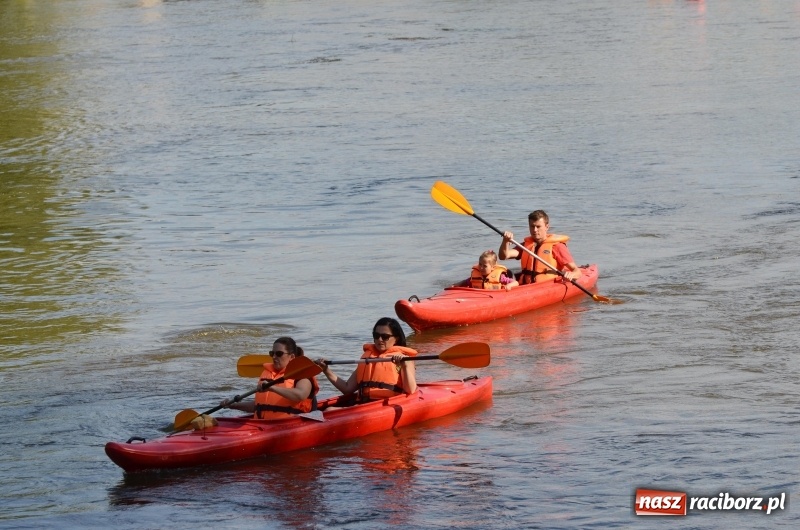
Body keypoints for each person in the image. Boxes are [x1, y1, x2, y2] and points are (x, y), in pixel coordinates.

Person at [315, 317, 417, 402]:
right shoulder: (367, 359)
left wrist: (404, 365)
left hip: (386, 404)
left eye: (385, 337)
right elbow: (347, 389)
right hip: (363, 404)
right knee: (328, 410)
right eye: (376, 336)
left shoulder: (404, 359)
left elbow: (410, 390)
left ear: (396, 339)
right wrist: (326, 370)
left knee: (329, 411)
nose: (379, 340)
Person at [220, 336, 319, 419]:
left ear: (292, 357)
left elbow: (300, 395)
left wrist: (272, 388)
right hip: (262, 426)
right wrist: (234, 405)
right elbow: (260, 405)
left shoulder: (302, 375)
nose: (274, 357)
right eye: (272, 353)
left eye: (279, 354)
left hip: (289, 425)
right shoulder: (268, 374)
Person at [498, 210, 582, 285]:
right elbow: (503, 256)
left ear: (547, 227)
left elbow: (577, 271)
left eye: (538, 226)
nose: (534, 230)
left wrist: (571, 275)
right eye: (532, 226)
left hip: (547, 286)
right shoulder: (525, 245)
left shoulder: (557, 247)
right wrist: (505, 241)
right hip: (526, 286)